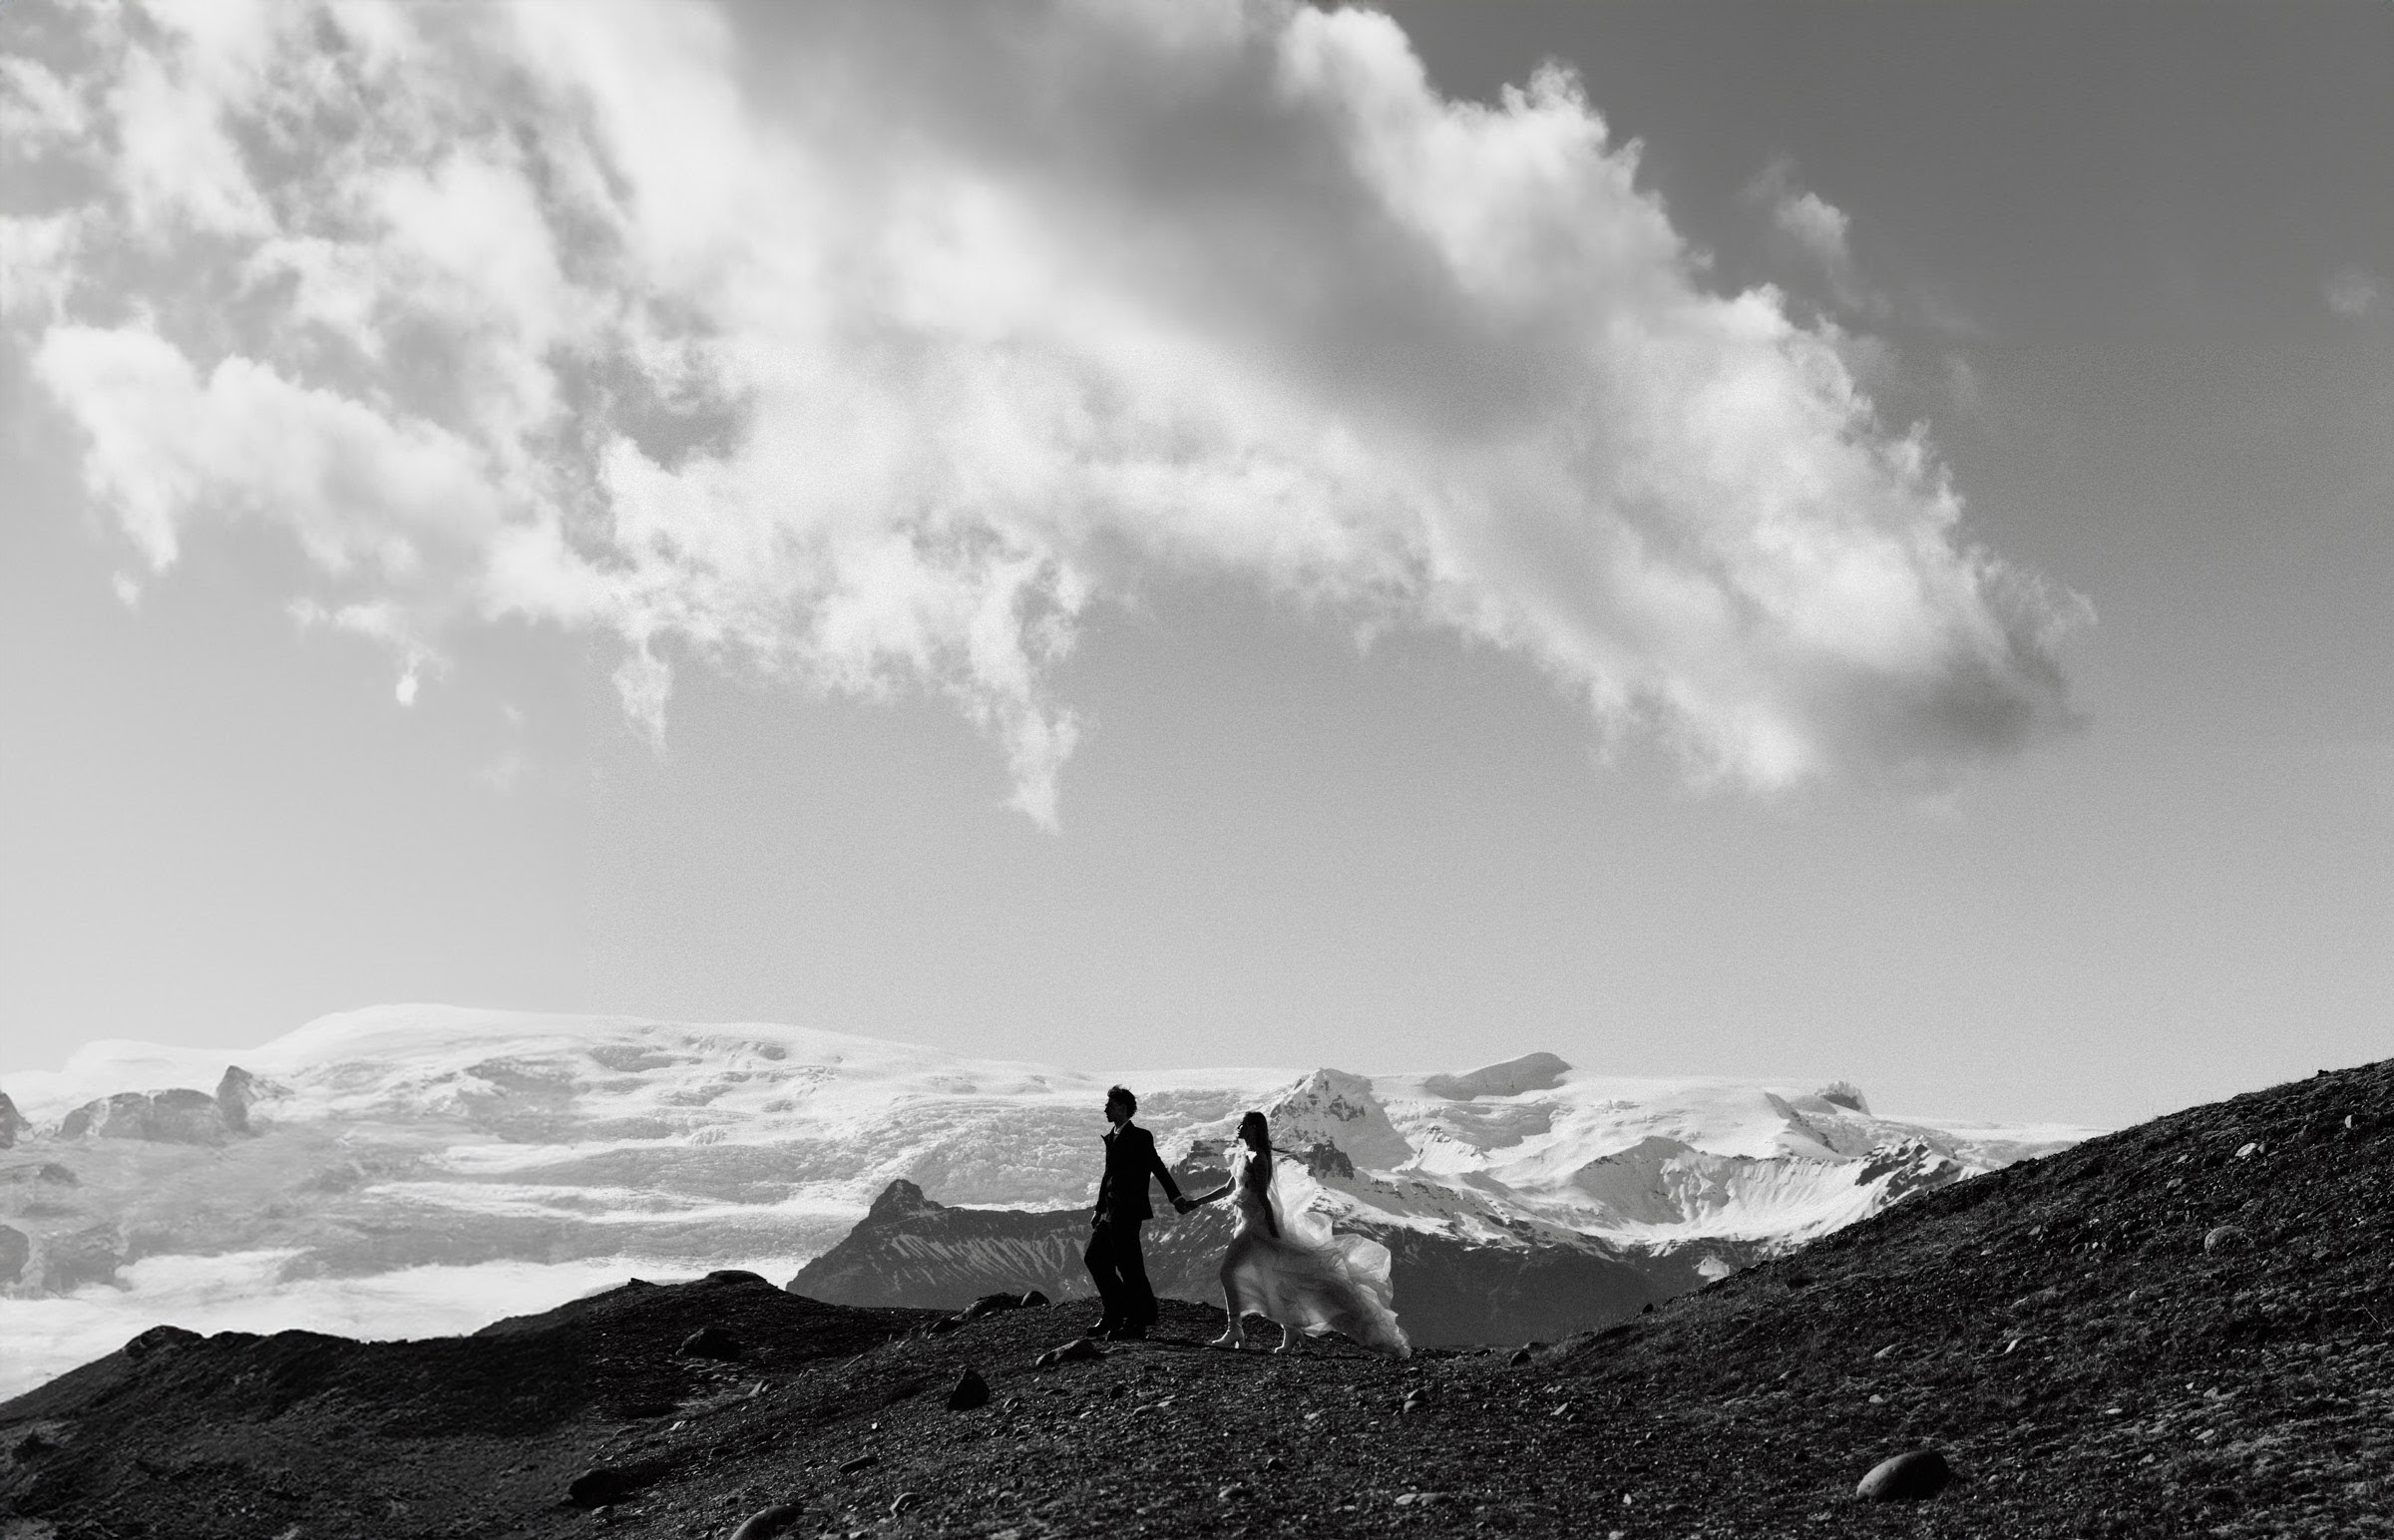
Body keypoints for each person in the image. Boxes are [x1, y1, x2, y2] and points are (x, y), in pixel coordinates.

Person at [1185, 1110, 1409, 1357]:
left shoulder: (1259, 1158)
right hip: (1247, 1223)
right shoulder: (1243, 1155)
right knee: (1277, 1278)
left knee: (1229, 1272)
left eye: (1244, 1124)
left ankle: (1234, 1329)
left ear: (1254, 1129)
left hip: (1255, 1227)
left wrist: (1271, 1230)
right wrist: (1197, 1202)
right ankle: (1290, 1331)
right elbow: (1229, 1188)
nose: (1238, 1127)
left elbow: (1263, 1198)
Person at [1083, 1084, 1190, 1341]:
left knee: (1129, 1267)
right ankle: (1116, 1312)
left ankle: (1136, 1321)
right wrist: (1099, 1208)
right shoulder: (1113, 1135)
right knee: (1095, 1258)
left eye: (1110, 1104)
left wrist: (1175, 1197)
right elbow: (1108, 1175)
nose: (1106, 1108)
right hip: (1110, 1212)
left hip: (1128, 1212)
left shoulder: (1140, 1137)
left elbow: (1158, 1167)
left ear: (1122, 1107)